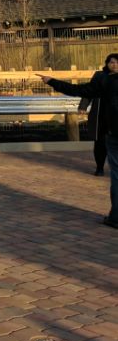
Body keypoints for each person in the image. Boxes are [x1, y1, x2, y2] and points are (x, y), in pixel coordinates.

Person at [40, 52, 118, 229]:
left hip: (114, 132)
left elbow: (78, 90)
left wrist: (52, 81)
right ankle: (99, 169)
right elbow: (83, 93)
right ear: (107, 64)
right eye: (112, 62)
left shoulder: (104, 81)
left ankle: (116, 217)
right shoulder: (103, 78)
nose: (114, 65)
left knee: (117, 175)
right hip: (111, 130)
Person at [79, 91, 108, 176]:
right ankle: (100, 167)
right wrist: (83, 106)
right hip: (100, 116)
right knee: (100, 143)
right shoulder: (99, 78)